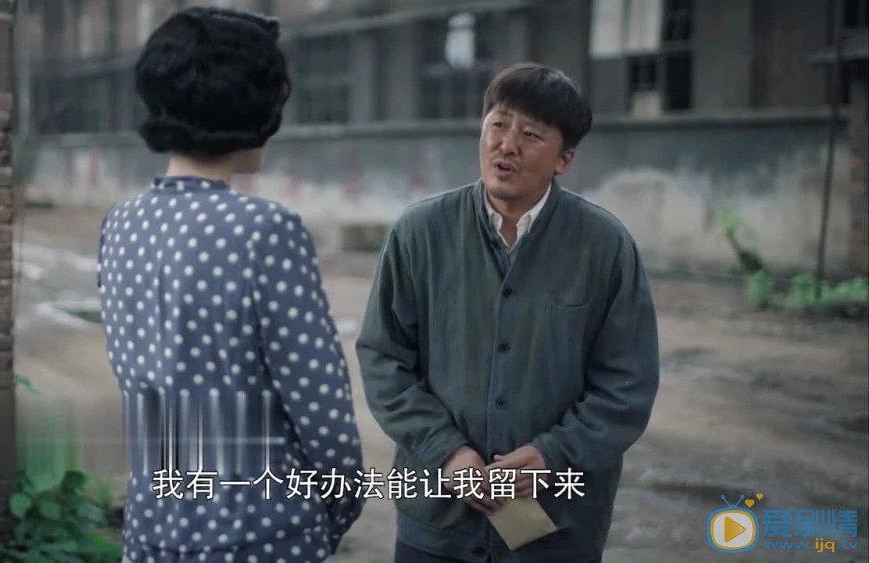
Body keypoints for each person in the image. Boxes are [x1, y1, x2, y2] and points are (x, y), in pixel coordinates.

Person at [356, 62, 660, 562]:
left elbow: (627, 385)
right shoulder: (419, 234)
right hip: (437, 524)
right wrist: (445, 451)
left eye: (531, 134)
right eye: (498, 124)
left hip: (556, 530)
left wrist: (552, 455)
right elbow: (383, 358)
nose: (507, 144)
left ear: (564, 158)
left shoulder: (605, 247)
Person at [97, 7, 364, 562]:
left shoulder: (121, 223)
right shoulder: (265, 230)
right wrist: (336, 509)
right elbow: (321, 409)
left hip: (153, 525)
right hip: (259, 531)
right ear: (255, 109)